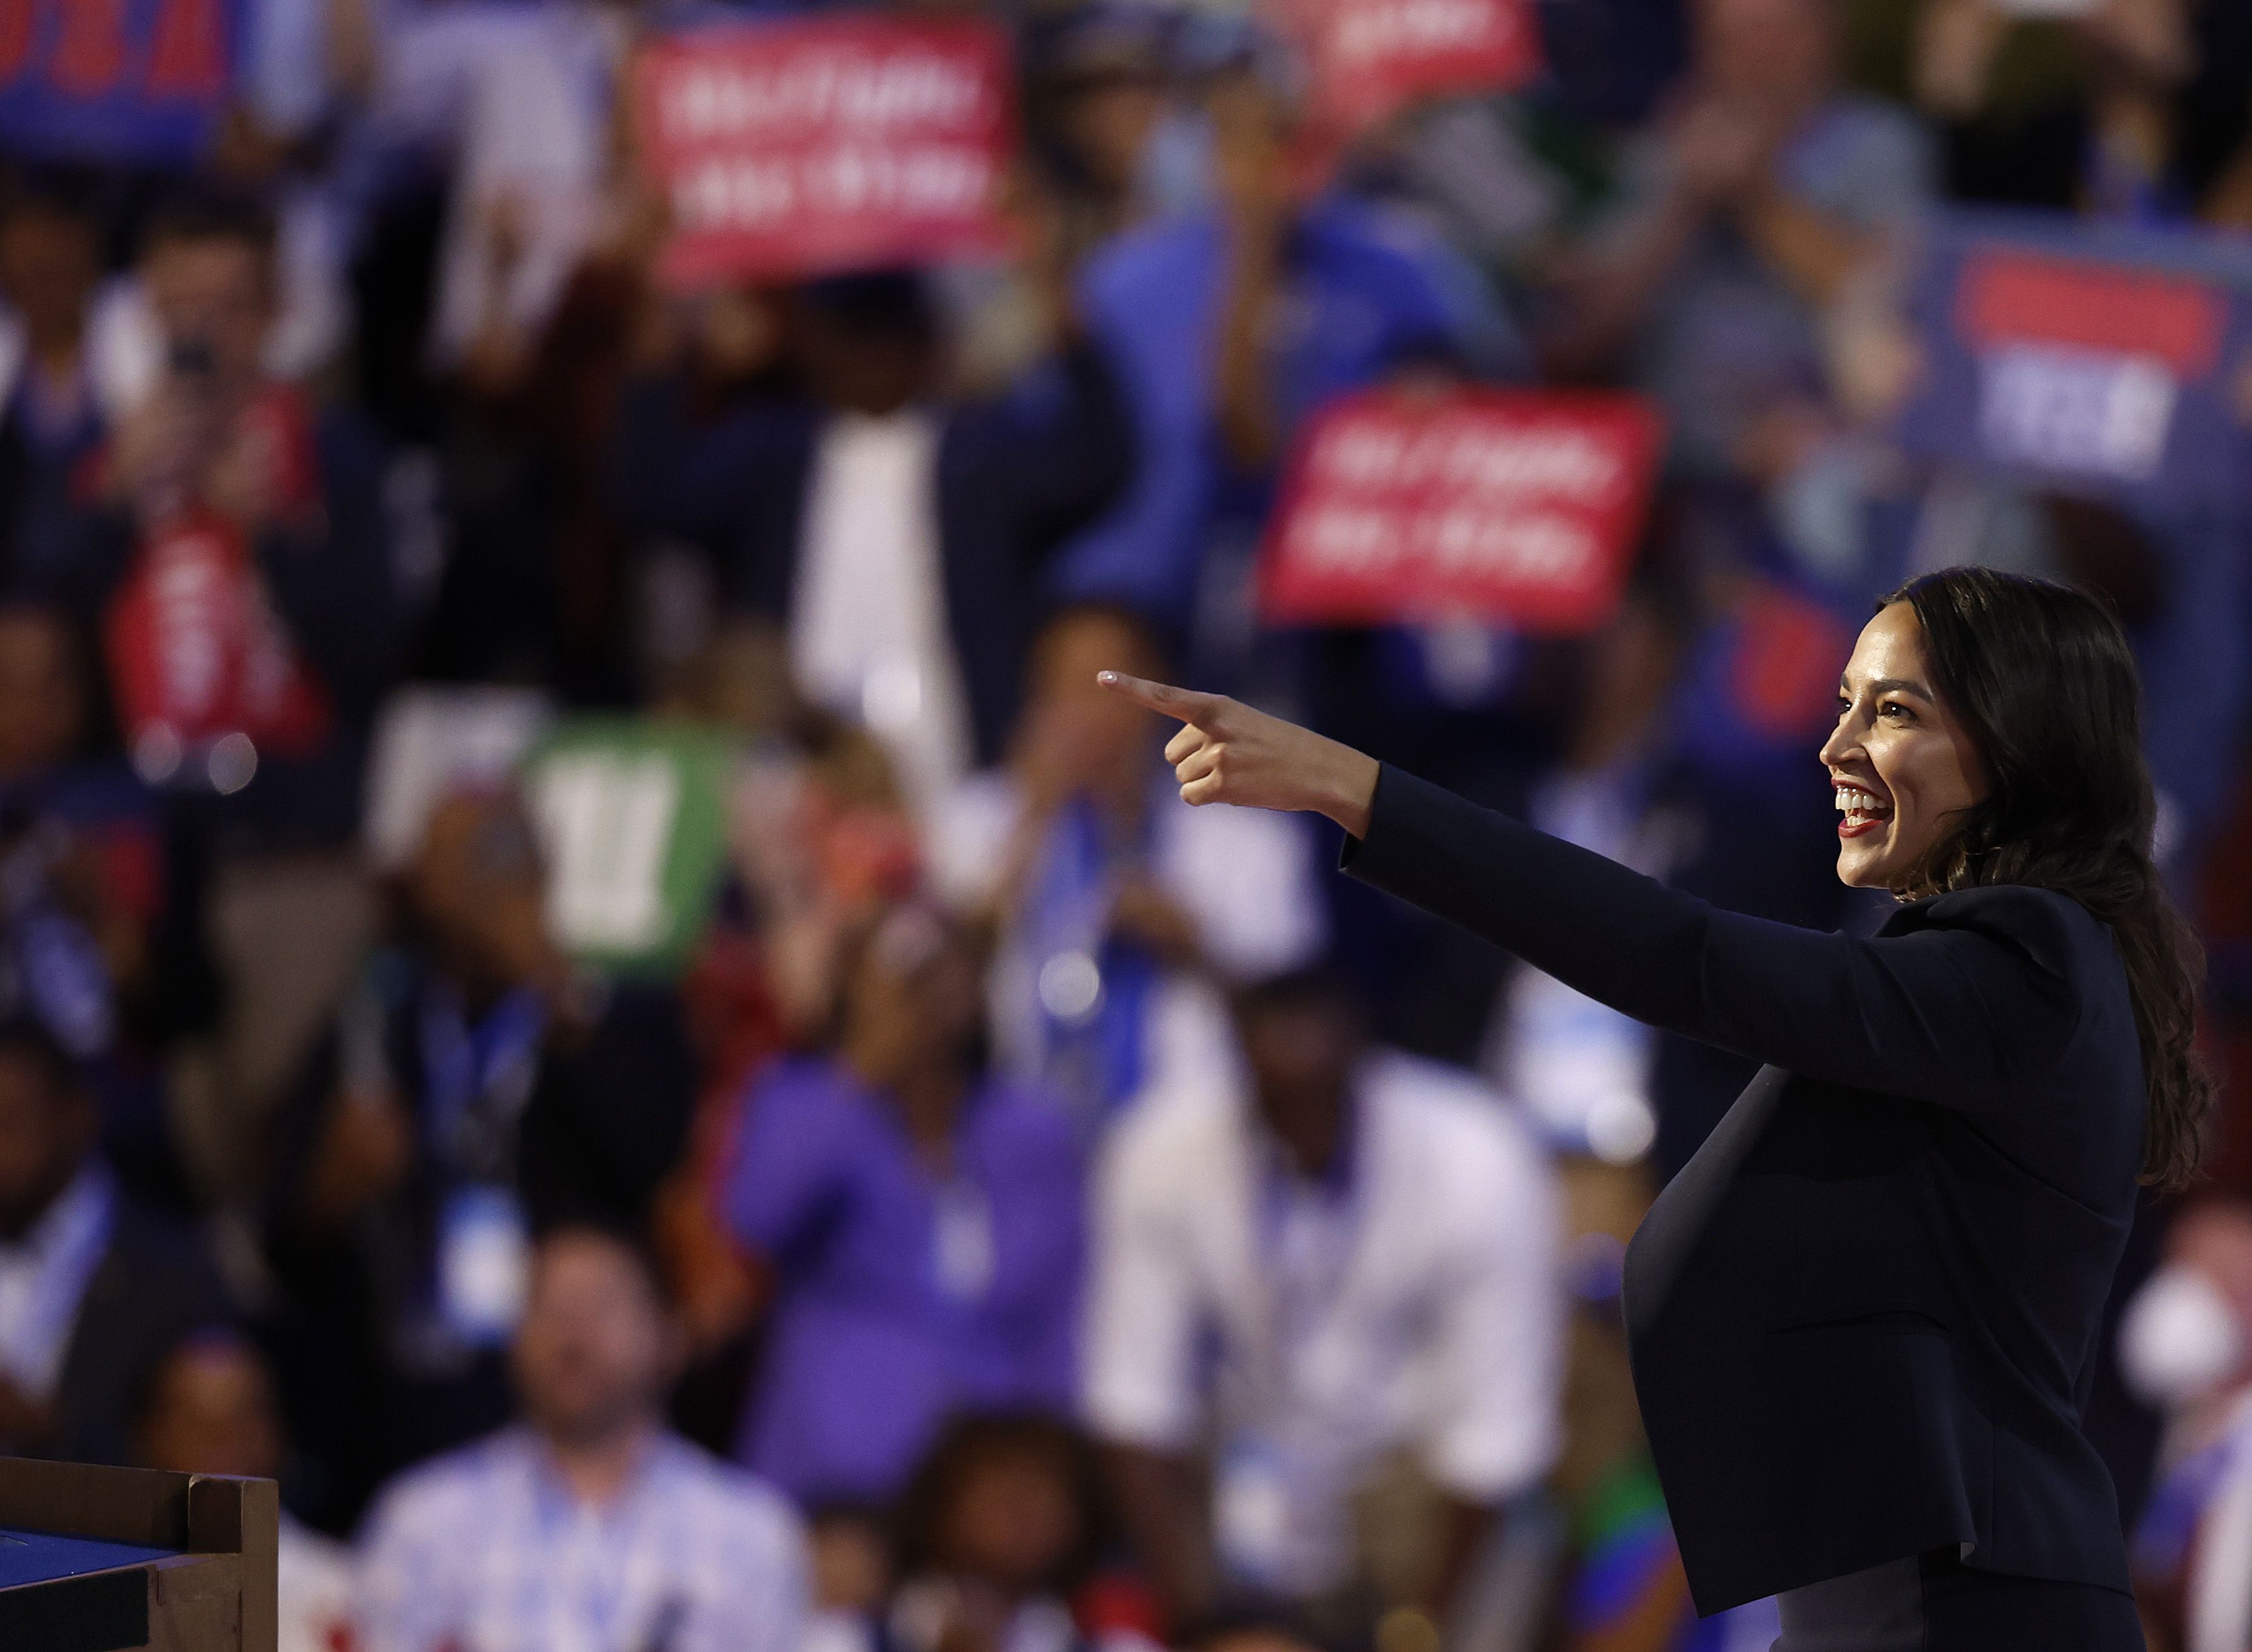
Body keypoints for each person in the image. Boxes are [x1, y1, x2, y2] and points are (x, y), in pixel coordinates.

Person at [1099, 562, 2205, 1647]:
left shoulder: (2026, 956)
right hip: (1888, 1597)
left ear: (2010, 745)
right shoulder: (1983, 986)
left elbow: (1689, 957)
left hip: (1971, 1608)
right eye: (1839, 707)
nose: (1835, 748)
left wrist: (1349, 783)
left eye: (1891, 710)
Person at [264, 785, 695, 1530]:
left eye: (503, 854)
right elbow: (282, 1233)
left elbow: (649, 1171)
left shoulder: (608, 1016)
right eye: (459, 857)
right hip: (391, 1394)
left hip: (554, 1389)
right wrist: (326, 1191)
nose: (483, 884)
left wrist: (553, 982)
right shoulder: (374, 1021)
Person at [1081, 966, 1563, 1631]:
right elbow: (1134, 1406)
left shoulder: (1477, 1152)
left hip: (1415, 1484)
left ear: (1362, 1056)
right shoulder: (1160, 1146)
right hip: (1237, 1473)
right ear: (1240, 1067)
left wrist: (1416, 1635)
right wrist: (1202, 1624)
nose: (1302, 1105)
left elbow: (1494, 1441)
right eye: (1278, 1092)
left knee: (1511, 1571)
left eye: (1321, 1086)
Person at [722, 903, 1086, 1508]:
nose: (925, 988)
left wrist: (1049, 1478)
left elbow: (1058, 1321)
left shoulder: (1032, 1133)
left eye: (946, 966)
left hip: (978, 1496)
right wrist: (864, 1063)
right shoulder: (800, 1101)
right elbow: (756, 1222)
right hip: (827, 1486)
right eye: (900, 968)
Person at [926, 604, 1327, 1128]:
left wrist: (1195, 944)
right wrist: (1031, 826)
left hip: (1193, 1135)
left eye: (1115, 692)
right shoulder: (975, 819)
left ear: (1166, 705)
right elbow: (941, 985)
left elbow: (1300, 1015)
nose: (1091, 715)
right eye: (1067, 690)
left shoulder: (1247, 834)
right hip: (1019, 1124)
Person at [356, 1220, 809, 1652]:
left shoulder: (749, 1535)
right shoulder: (425, 1522)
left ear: (669, 1338)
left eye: (601, 1306)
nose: (573, 1333)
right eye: (550, 1305)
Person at [0, 1017, 235, 1466]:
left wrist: (45, 1429)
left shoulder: (176, 1273)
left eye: (11, 1121)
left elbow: (212, 1452)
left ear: (77, 1116)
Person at [131, 1326, 355, 1652]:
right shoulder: (100, 1588)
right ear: (146, 1436)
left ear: (276, 1434)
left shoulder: (333, 1588)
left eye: (240, 1421)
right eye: (196, 1424)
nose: (221, 1443)